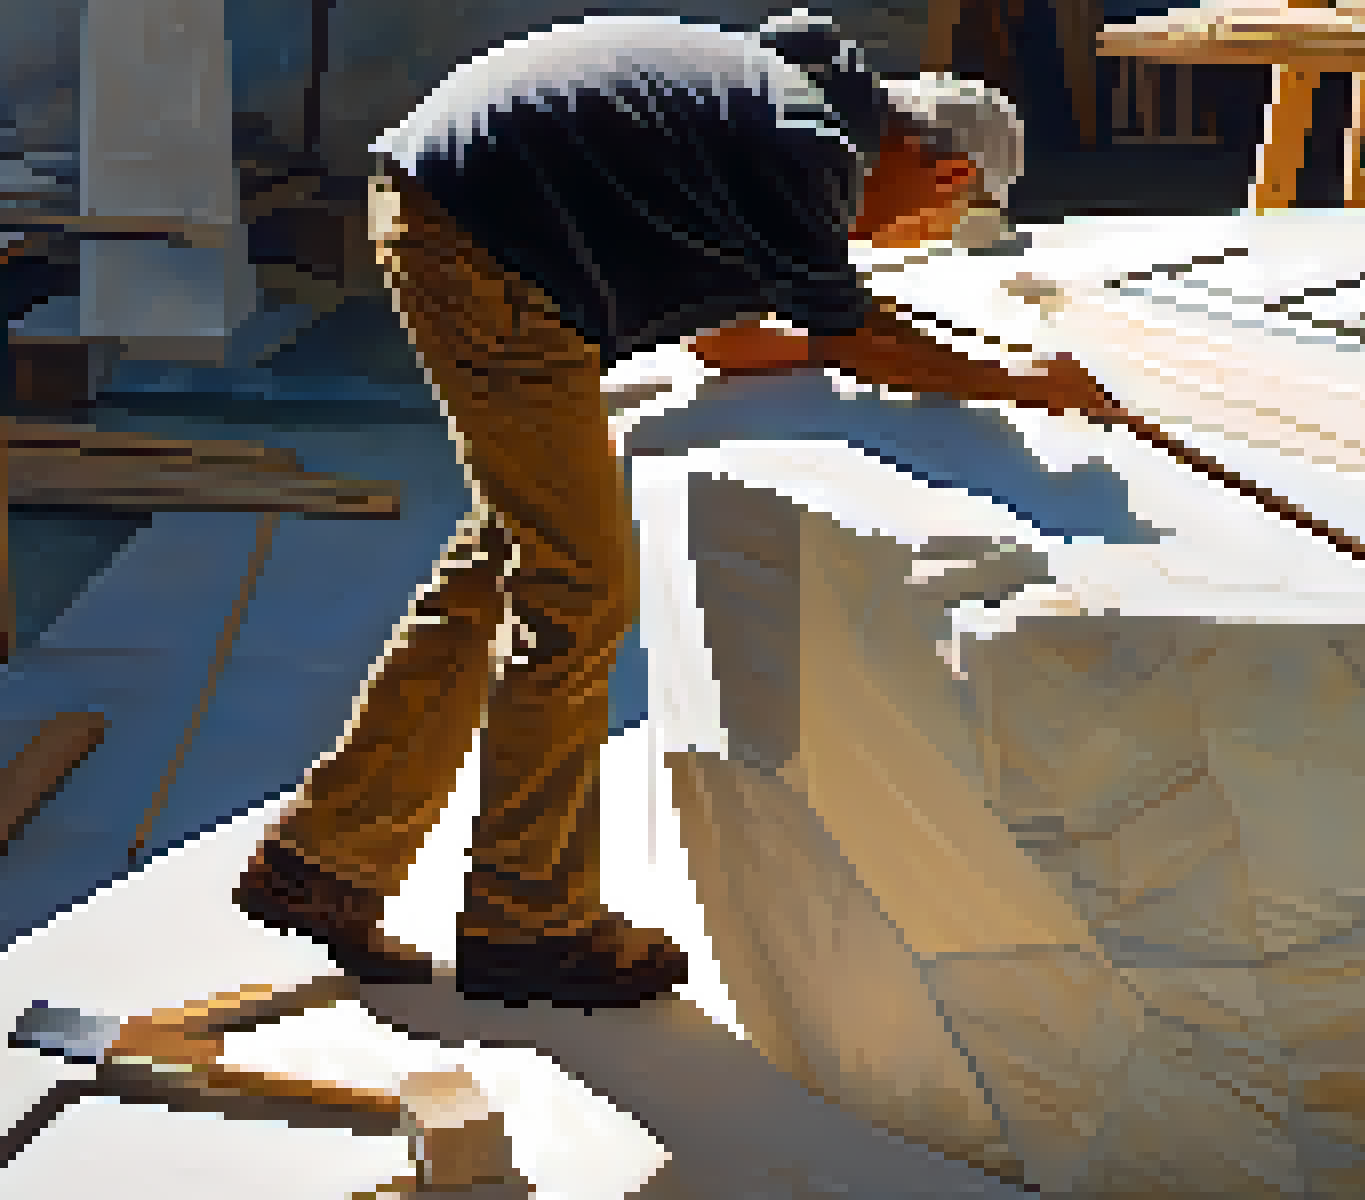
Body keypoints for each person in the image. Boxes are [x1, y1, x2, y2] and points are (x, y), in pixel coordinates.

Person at [233, 11, 1109, 1011]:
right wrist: (1025, 384)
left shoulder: (781, 113)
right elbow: (863, 337)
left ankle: (328, 855)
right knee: (579, 588)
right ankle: (529, 919)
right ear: (946, 176)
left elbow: (731, 341)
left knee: (507, 558)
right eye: (925, 227)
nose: (894, 241)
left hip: (461, 208)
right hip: (486, 243)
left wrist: (860, 344)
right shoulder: (813, 152)